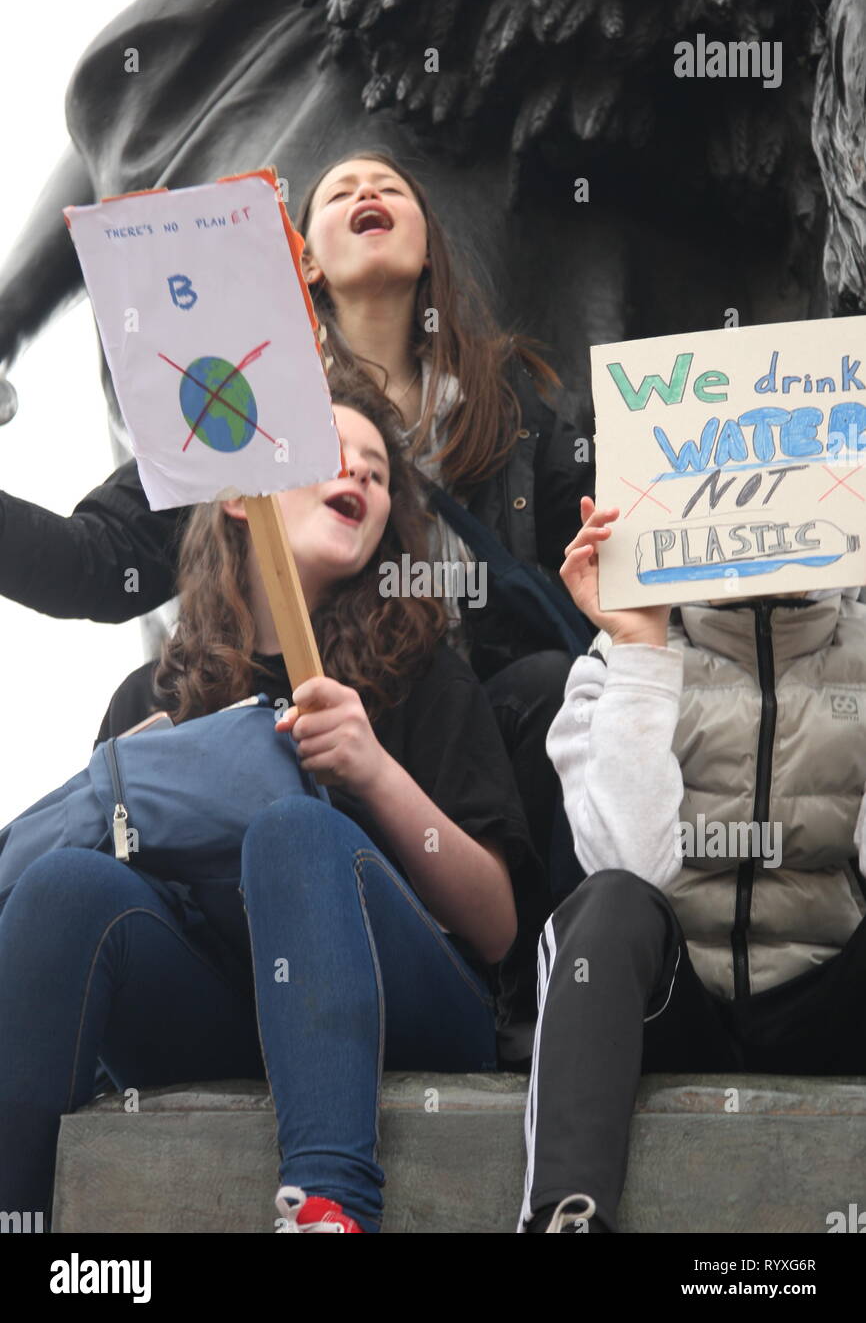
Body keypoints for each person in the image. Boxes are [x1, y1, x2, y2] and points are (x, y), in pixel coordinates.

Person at [0, 388, 542, 1235]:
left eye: (378, 471)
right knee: (68, 882)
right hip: (222, 1015)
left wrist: (373, 772)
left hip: (413, 1013)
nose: (359, 473)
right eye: (331, 454)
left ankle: (331, 1209)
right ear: (235, 492)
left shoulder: (420, 672)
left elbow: (502, 929)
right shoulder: (148, 699)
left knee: (291, 830)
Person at [0, 149, 593, 921]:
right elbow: (94, 561)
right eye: (340, 189)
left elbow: (602, 518)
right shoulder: (239, 412)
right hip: (309, 722)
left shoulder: (505, 402)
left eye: (392, 187)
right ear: (301, 259)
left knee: (559, 684)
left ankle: (550, 969)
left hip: (457, 733)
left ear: (429, 245)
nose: (367, 190)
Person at [518, 495, 866, 1234]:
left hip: (830, 998)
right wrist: (644, 653)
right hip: (677, 1005)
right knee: (607, 904)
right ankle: (566, 1220)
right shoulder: (615, 659)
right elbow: (625, 868)